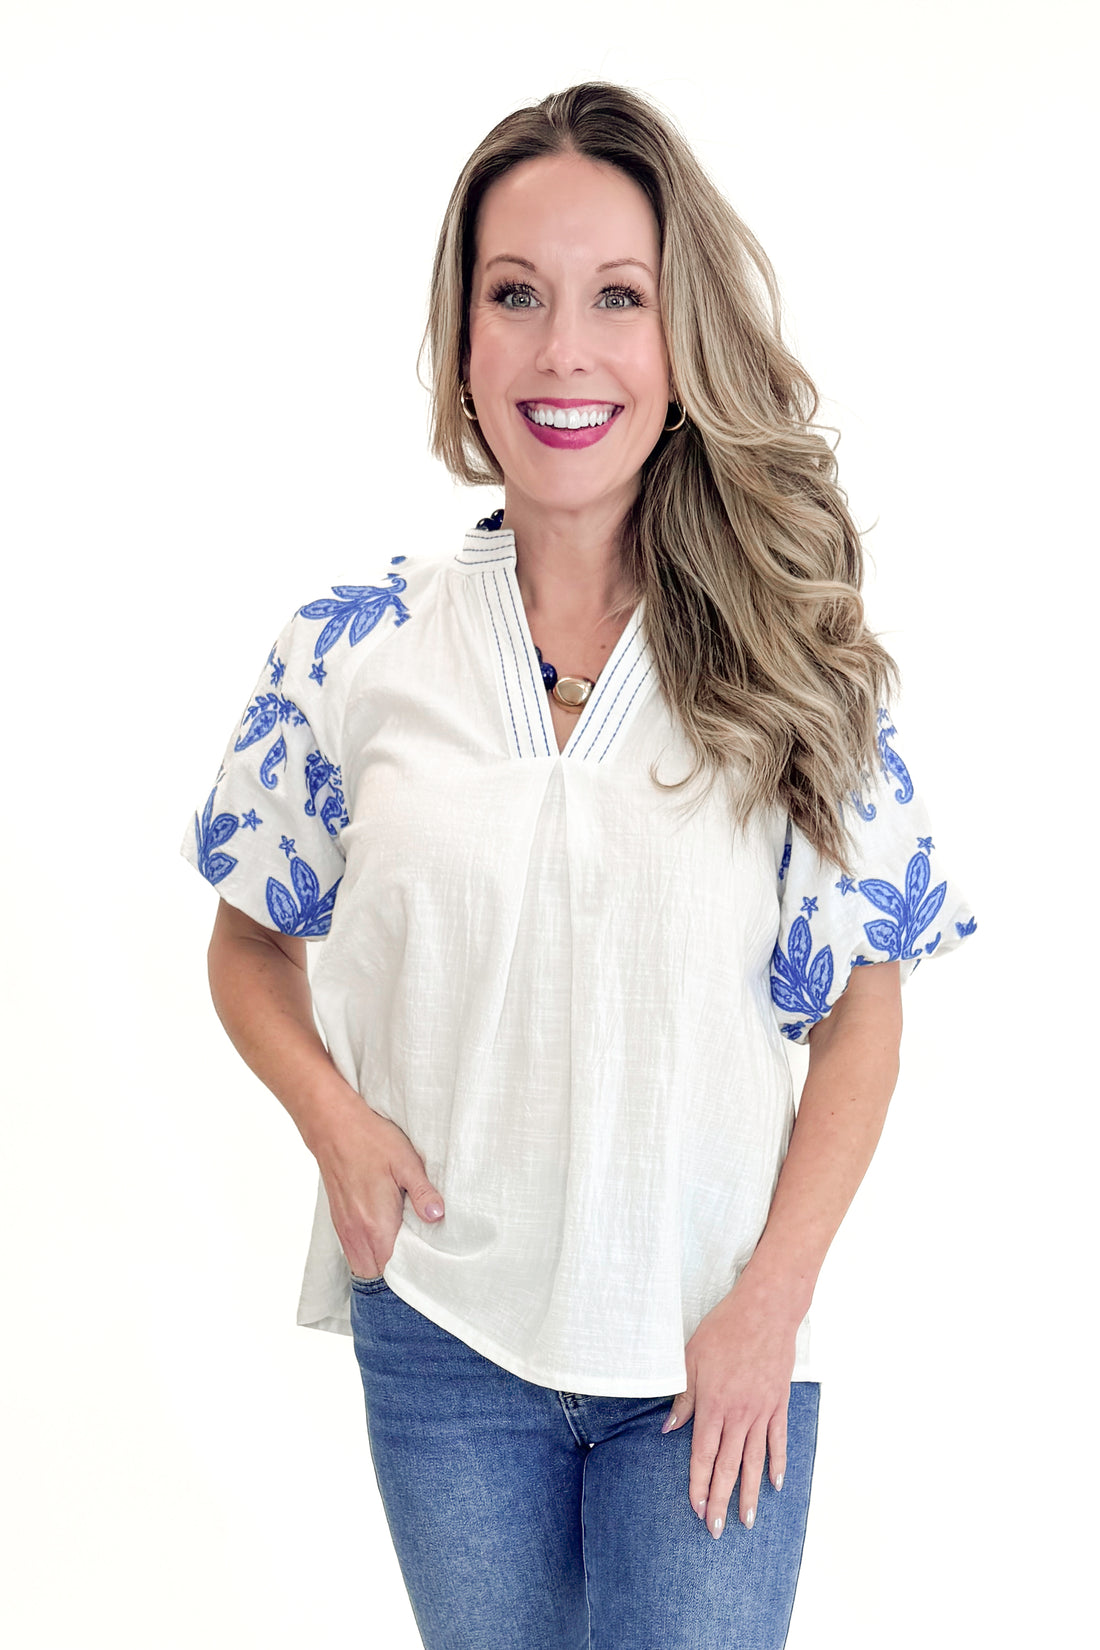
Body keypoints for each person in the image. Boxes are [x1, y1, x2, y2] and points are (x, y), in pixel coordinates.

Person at [182, 81, 975, 1650]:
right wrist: (334, 1121)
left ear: (683, 340)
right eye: (515, 295)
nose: (563, 351)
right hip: (446, 1336)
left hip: (713, 1343)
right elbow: (249, 939)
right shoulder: (352, 648)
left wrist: (772, 1299)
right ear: (461, 338)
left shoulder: (790, 656)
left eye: (618, 296)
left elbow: (863, 1013)